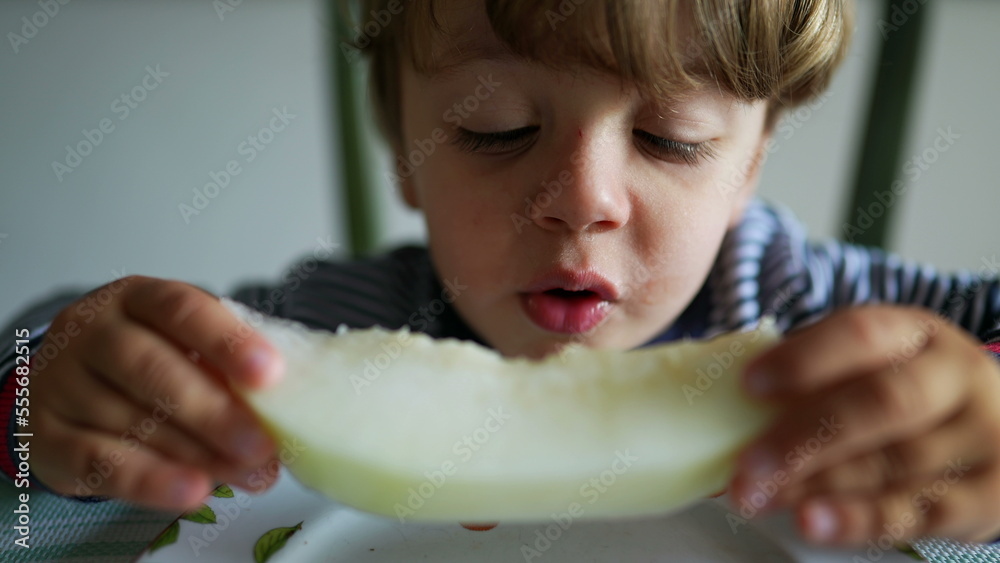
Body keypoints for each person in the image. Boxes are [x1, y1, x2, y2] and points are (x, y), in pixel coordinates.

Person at [3, 0, 1000, 548]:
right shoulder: (329, 323)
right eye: (495, 130)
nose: (580, 198)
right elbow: (47, 472)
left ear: (749, 161)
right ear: (402, 145)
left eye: (671, 137)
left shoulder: (825, 317)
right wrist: (36, 419)